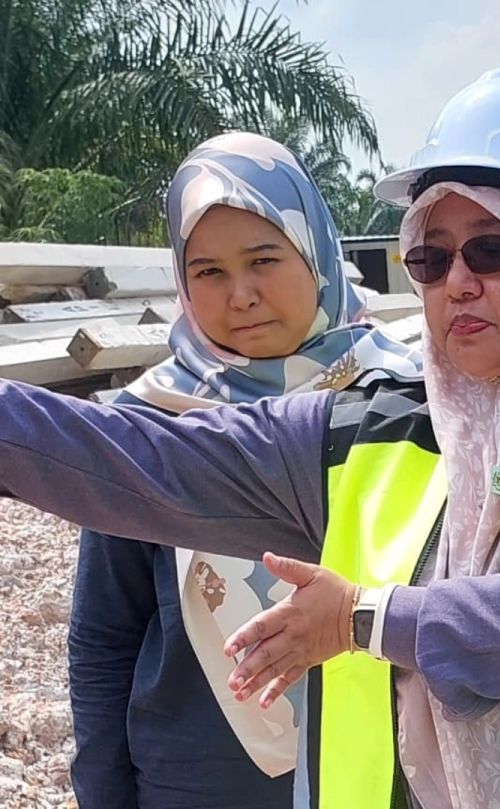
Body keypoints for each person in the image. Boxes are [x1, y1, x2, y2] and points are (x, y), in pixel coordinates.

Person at [0, 67, 500, 809]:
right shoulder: (365, 428)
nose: (457, 282)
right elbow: (142, 458)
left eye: (491, 249)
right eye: (431, 255)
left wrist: (368, 617)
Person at [66, 131, 422, 809]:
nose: (241, 295)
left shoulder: (399, 401)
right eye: (209, 272)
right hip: (195, 783)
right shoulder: (151, 423)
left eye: (264, 259)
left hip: (379, 772)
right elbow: (105, 633)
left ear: (314, 251)